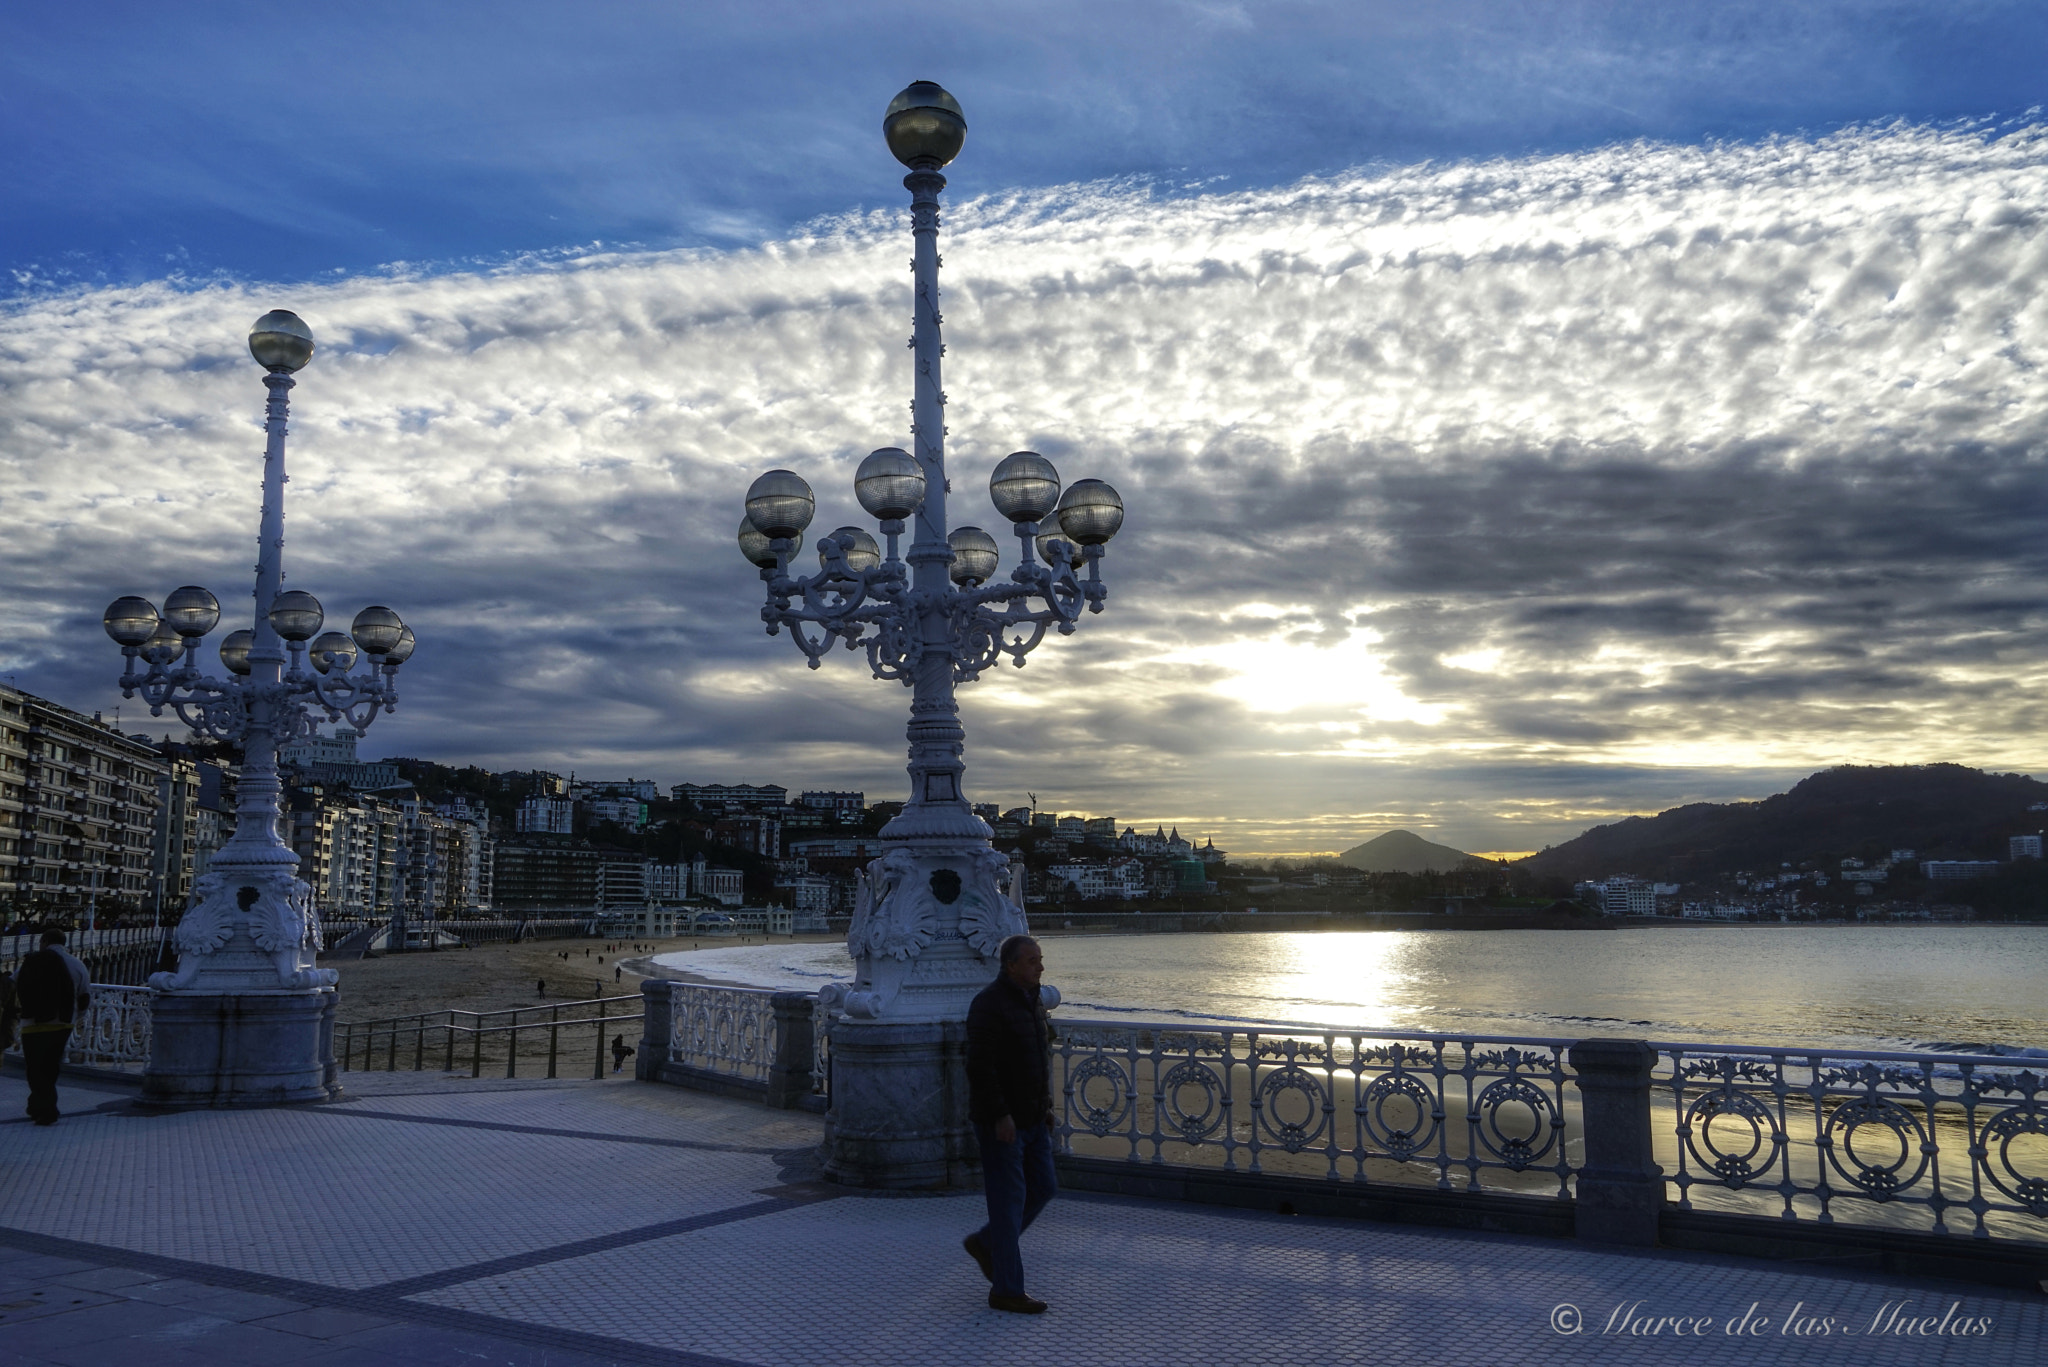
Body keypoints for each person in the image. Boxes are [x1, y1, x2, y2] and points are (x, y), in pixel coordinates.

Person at [963, 934, 1058, 1314]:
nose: (1040, 966)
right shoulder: (988, 1004)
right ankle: (1006, 1289)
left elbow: (1036, 1058)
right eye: (1032, 961)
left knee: (1044, 1188)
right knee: (1008, 1204)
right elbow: (980, 1067)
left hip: (1033, 1118)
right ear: (1011, 965)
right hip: (1003, 1123)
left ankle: (987, 1244)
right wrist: (1001, 1115)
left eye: (1040, 959)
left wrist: (1045, 1105)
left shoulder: (1031, 1000)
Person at [15, 931, 90, 1126]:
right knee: (50, 1066)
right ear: (64, 943)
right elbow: (84, 995)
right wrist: (74, 1017)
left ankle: (46, 1109)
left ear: (44, 942)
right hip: (63, 1023)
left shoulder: (32, 961)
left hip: (33, 1023)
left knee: (34, 1067)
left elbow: (15, 983)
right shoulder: (77, 964)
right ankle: (38, 1106)